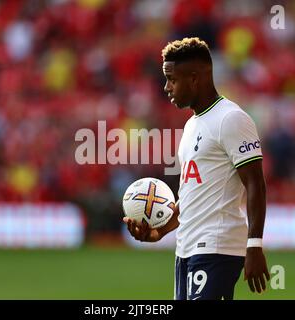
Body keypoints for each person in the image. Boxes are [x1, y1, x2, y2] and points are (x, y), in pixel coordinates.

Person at [123, 37, 270, 300]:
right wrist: (160, 231)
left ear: (194, 79)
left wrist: (254, 245)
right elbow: (191, 194)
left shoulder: (230, 119)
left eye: (172, 79)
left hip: (216, 248)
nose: (167, 87)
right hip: (186, 250)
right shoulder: (192, 125)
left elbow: (255, 183)